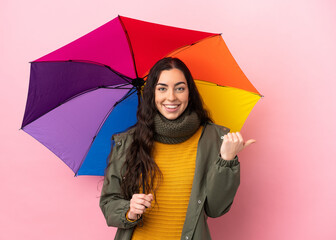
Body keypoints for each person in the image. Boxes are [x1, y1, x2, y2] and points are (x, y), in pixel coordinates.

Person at [100, 57, 255, 240]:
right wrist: (129, 210)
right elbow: (109, 202)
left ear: (189, 93)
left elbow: (216, 209)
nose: (171, 97)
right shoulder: (128, 142)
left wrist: (226, 161)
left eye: (180, 88)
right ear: (152, 94)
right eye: (162, 88)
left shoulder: (213, 139)